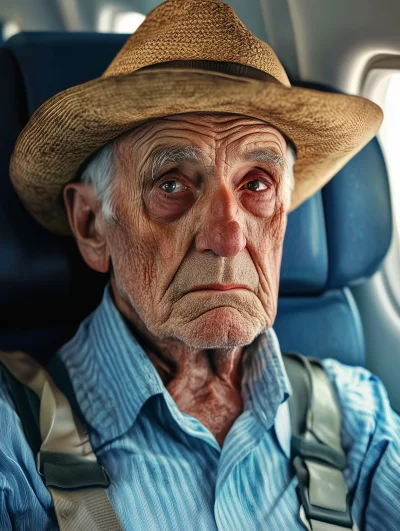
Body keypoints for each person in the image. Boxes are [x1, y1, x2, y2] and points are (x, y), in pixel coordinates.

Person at [1, 0, 399, 529]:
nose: (229, 236)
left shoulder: (358, 416)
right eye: (172, 185)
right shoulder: (14, 441)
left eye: (256, 183)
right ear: (92, 226)